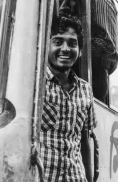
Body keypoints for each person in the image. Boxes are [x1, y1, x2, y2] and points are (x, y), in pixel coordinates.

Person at [39, 16, 97, 182]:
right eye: (58, 42)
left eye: (72, 43)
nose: (65, 49)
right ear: (46, 46)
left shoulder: (85, 89)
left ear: (80, 51)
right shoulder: (34, 84)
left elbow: (84, 142)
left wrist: (89, 178)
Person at [55, 0, 118, 103]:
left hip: (92, 76)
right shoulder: (64, 3)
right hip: (66, 74)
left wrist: (72, 45)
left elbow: (107, 45)